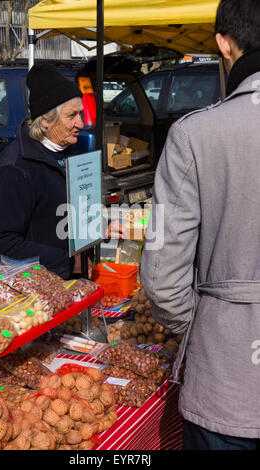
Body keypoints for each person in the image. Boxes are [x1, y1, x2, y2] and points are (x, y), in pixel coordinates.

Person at [141, 0, 260, 451]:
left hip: (228, 384)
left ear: (223, 45)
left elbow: (162, 275)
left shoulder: (196, 134)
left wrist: (208, 321)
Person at [0, 63, 124, 280]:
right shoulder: (15, 169)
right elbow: (0, 243)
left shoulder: (68, 152)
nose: (81, 122)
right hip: (38, 291)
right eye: (72, 116)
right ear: (46, 120)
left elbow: (64, 210)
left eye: (80, 113)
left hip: (70, 283)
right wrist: (67, 261)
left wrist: (99, 227)